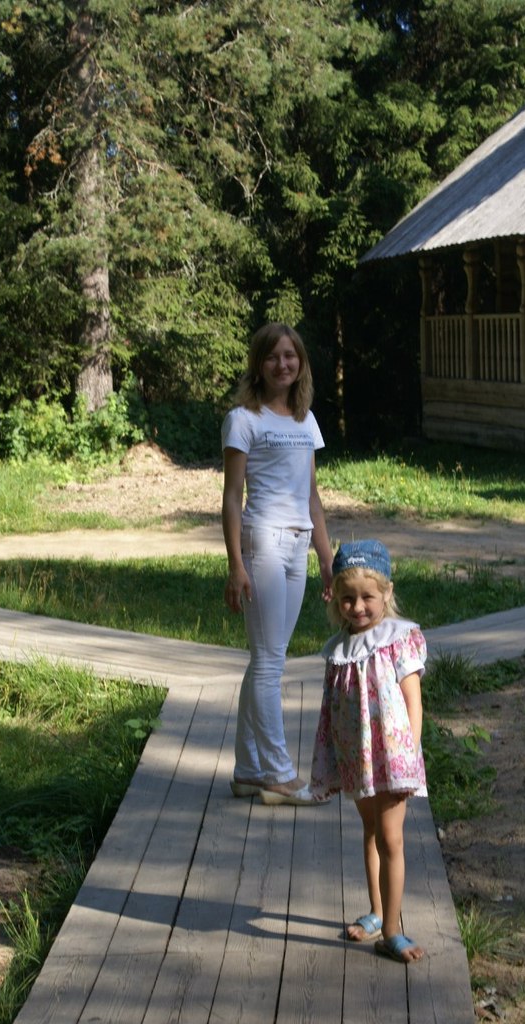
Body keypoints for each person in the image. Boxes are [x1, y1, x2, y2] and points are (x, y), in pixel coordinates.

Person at [222, 322, 333, 807]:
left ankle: (248, 770)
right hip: (262, 542)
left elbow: (312, 497)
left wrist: (326, 559)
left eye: (290, 356)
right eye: (272, 356)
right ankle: (278, 773)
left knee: (269, 658)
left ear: (300, 363)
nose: (282, 364)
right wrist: (236, 564)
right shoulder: (243, 419)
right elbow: (231, 497)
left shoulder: (306, 421)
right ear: (259, 364)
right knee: (269, 662)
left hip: (298, 545)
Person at [310, 540, 427, 963]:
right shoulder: (338, 649)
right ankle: (378, 912)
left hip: (393, 759)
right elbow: (335, 707)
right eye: (347, 599)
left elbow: (412, 700)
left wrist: (410, 754)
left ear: (386, 592)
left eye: (367, 597)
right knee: (372, 831)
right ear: (335, 598)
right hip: (356, 758)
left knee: (392, 838)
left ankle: (392, 931)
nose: (357, 607)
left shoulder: (399, 639)